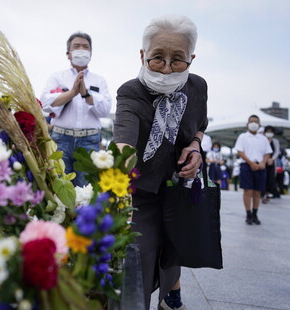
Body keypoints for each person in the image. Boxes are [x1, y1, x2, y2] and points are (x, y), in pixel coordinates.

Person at [113, 15, 208, 310]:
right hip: (138, 189)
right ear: (142, 55)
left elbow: (199, 127)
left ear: (191, 58)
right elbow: (124, 136)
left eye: (177, 60)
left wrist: (195, 148)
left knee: (173, 248)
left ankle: (171, 294)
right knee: (137, 256)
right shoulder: (130, 91)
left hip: (177, 187)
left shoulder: (197, 88)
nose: (166, 68)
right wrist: (119, 163)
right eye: (157, 58)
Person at [40, 32, 111, 187]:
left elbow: (105, 110)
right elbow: (45, 103)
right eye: (76, 46)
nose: (81, 49)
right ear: (68, 53)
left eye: (85, 47)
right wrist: (72, 93)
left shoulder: (99, 80)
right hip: (61, 140)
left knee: (87, 189)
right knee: (59, 186)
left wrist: (86, 94)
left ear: (91, 53)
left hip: (89, 141)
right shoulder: (57, 77)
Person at [234, 115, 272, 225]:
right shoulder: (243, 137)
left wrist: (263, 162)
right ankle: (248, 214)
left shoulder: (263, 138)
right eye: (251, 121)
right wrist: (251, 163)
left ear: (259, 125)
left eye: (256, 122)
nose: (254, 124)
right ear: (247, 124)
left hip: (260, 166)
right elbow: (240, 151)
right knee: (248, 191)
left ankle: (255, 214)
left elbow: (268, 152)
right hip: (247, 166)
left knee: (257, 192)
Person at [262, 125, 280, 203]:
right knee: (263, 178)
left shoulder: (275, 141)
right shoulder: (262, 140)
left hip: (271, 163)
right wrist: (265, 159)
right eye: (267, 131)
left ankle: (268, 193)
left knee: (271, 179)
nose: (269, 133)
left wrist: (272, 159)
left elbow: (276, 151)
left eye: (271, 132)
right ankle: (262, 194)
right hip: (263, 162)